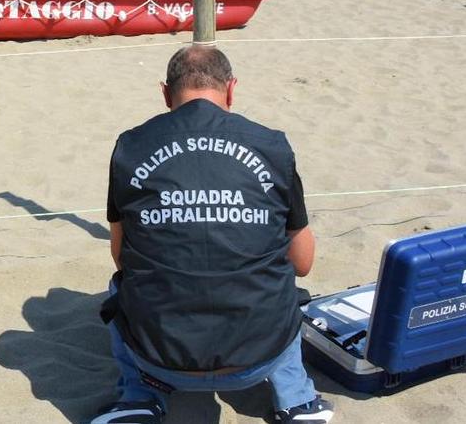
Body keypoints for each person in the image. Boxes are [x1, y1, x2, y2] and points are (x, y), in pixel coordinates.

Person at [92, 46, 333, 424]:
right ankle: (297, 399)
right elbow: (302, 264)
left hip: (157, 360)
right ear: (231, 90)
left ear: (165, 93)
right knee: (279, 278)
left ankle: (138, 396)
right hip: (259, 357)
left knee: (121, 284)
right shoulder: (271, 145)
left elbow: (121, 256)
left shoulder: (131, 145)